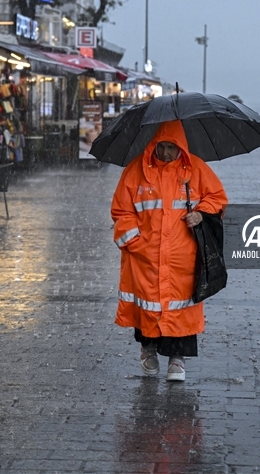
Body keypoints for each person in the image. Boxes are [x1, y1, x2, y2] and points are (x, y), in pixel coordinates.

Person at [111, 120, 228, 382]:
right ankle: (148, 349)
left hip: (182, 258)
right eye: (161, 147)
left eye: (171, 148)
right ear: (153, 145)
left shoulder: (196, 169)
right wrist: (138, 244)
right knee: (148, 305)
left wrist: (200, 213)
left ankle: (178, 358)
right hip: (145, 259)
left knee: (180, 307)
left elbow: (217, 198)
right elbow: (121, 211)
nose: (165, 153)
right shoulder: (135, 171)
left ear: (180, 147)